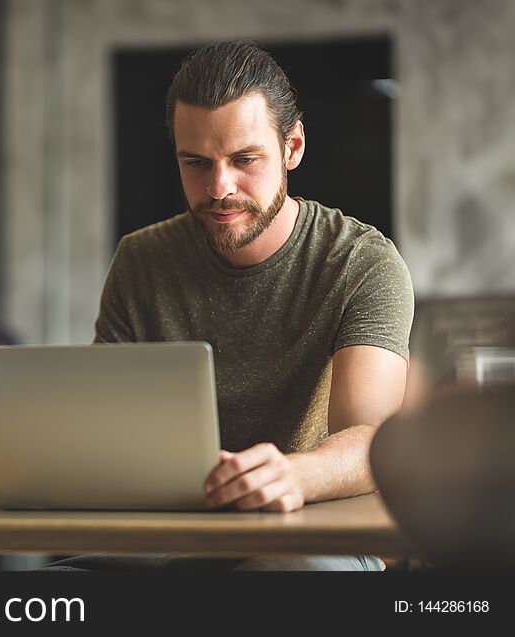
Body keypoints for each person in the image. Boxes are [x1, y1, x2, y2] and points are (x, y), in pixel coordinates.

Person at [47, 41, 412, 571]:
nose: (219, 188)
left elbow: (371, 438)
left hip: (306, 536)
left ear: (293, 147)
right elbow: (107, 428)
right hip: (168, 540)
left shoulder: (361, 263)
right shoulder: (141, 260)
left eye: (244, 160)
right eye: (196, 163)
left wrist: (291, 474)